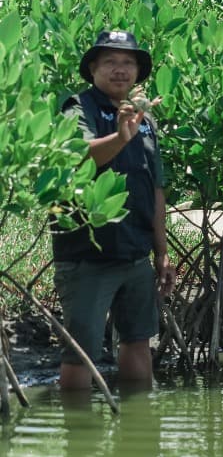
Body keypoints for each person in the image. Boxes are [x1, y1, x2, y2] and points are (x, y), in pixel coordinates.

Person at [53, 30, 176, 392]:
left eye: (128, 62)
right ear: (93, 68)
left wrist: (162, 252)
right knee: (82, 352)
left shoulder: (146, 121)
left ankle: (139, 432)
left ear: (138, 71)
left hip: (135, 254)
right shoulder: (77, 108)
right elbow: (81, 158)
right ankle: (78, 438)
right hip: (88, 256)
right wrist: (121, 137)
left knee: (138, 340)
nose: (120, 70)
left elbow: (155, 189)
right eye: (110, 62)